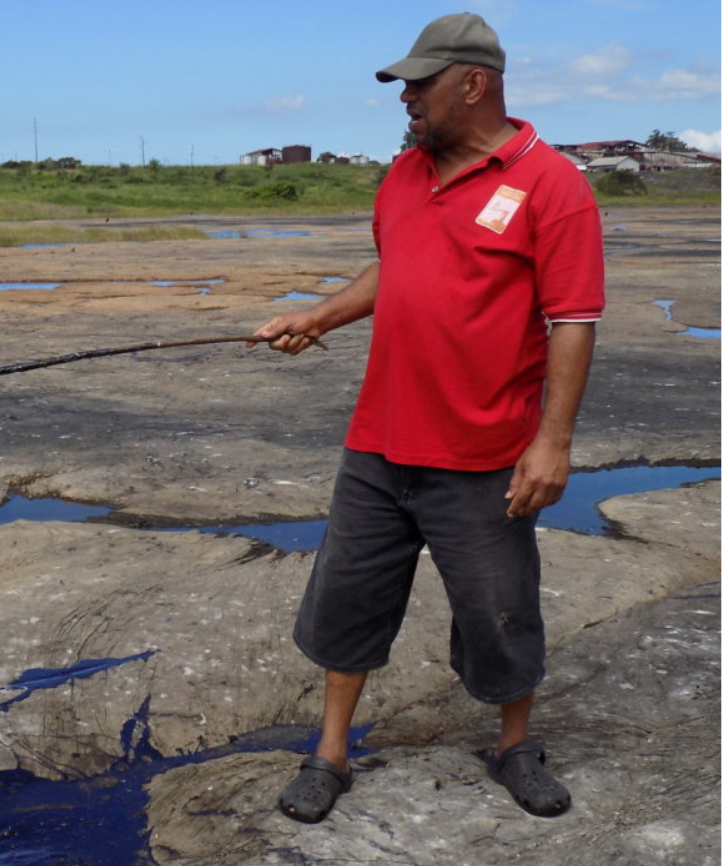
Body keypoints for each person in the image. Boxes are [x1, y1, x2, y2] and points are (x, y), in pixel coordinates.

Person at [251, 12, 604, 823]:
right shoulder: (406, 173)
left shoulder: (552, 184)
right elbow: (395, 267)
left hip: (484, 452)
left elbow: (574, 320)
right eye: (404, 85)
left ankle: (515, 747)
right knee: (347, 601)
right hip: (378, 443)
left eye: (420, 83)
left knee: (500, 612)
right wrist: (319, 316)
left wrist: (552, 443)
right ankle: (330, 755)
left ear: (473, 83)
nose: (406, 98)